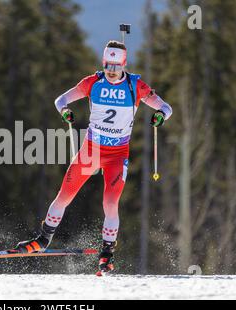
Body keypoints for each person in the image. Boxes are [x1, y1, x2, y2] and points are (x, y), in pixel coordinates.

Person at [15, 40, 173, 275]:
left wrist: (160, 115)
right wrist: (66, 111)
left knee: (110, 203)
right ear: (103, 62)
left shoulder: (135, 86)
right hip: (91, 149)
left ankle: (107, 255)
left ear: (124, 64)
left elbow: (166, 107)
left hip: (117, 154)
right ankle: (43, 240)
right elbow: (61, 100)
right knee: (64, 196)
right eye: (108, 65)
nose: (111, 70)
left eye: (116, 66)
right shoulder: (93, 82)